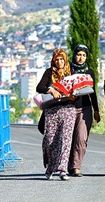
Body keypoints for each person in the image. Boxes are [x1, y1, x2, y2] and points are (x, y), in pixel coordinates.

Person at [36, 48, 76, 181]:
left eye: (61, 59)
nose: (59, 62)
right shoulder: (49, 73)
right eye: (56, 60)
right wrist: (51, 90)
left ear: (65, 60)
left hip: (68, 109)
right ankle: (50, 167)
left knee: (66, 139)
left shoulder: (71, 73)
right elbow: (39, 87)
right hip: (52, 110)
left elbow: (78, 89)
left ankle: (63, 169)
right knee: (50, 140)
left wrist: (73, 97)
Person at [68, 44, 101, 177]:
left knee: (81, 138)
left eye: (83, 55)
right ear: (74, 55)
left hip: (85, 108)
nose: (80, 58)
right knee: (69, 139)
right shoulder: (68, 70)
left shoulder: (89, 72)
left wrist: (96, 110)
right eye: (78, 54)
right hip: (69, 108)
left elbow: (92, 93)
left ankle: (76, 167)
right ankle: (67, 165)